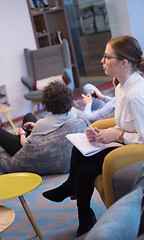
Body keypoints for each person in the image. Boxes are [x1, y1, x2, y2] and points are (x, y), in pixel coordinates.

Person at [42, 35, 144, 237]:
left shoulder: (136, 95)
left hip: (134, 151)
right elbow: (125, 122)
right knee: (83, 163)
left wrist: (119, 134)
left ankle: (71, 193)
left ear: (124, 63)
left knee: (84, 167)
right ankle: (84, 219)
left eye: (107, 57)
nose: (102, 61)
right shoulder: (122, 86)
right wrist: (104, 132)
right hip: (124, 142)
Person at [0, 80, 77, 168]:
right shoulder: (73, 114)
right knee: (29, 116)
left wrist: (22, 134)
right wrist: (35, 127)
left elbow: (25, 145)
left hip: (27, 150)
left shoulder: (43, 124)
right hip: (49, 140)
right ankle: (22, 133)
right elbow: (51, 127)